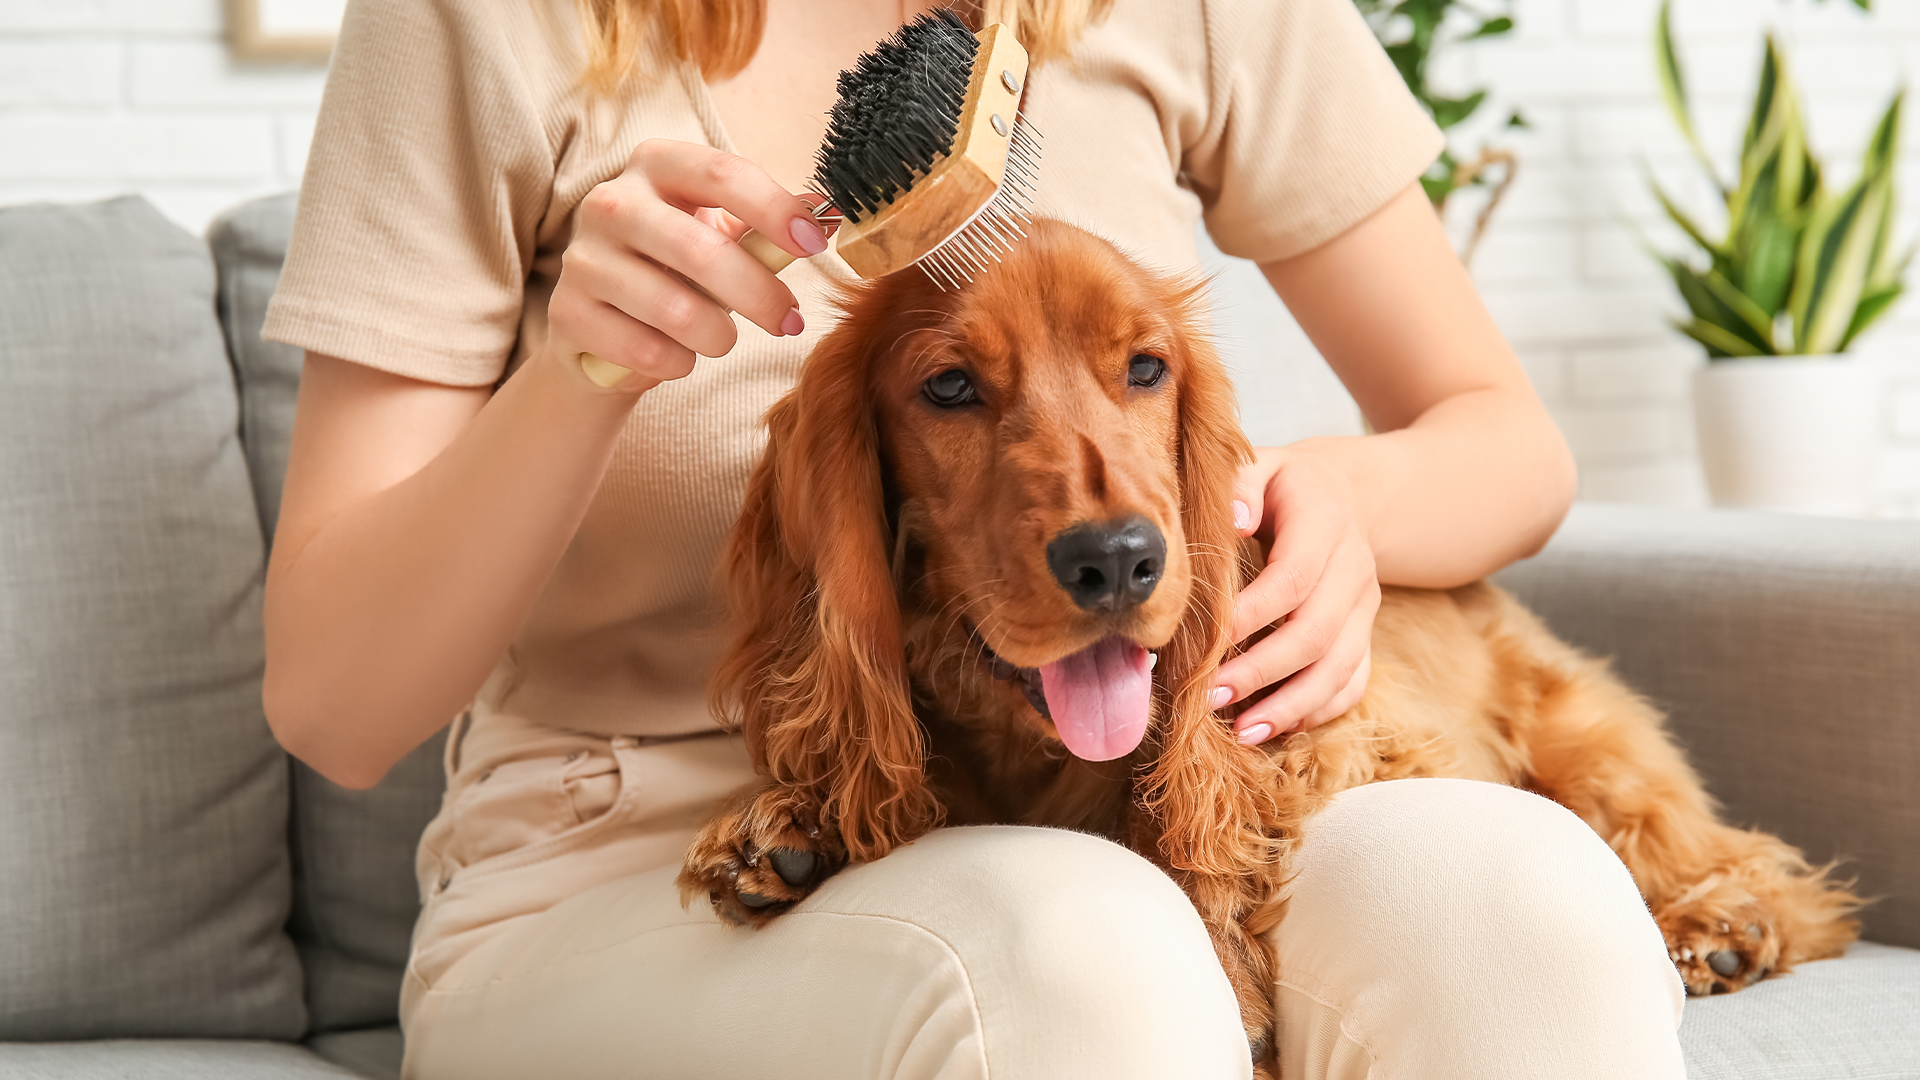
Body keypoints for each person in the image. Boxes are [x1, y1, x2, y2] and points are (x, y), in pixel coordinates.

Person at [260, 0, 1688, 1076]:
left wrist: (1332, 508)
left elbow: (1502, 436)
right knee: (1082, 954)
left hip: (1130, 798)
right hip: (641, 851)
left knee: (1519, 903)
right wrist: (582, 370)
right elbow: (334, 705)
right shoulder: (493, 21)